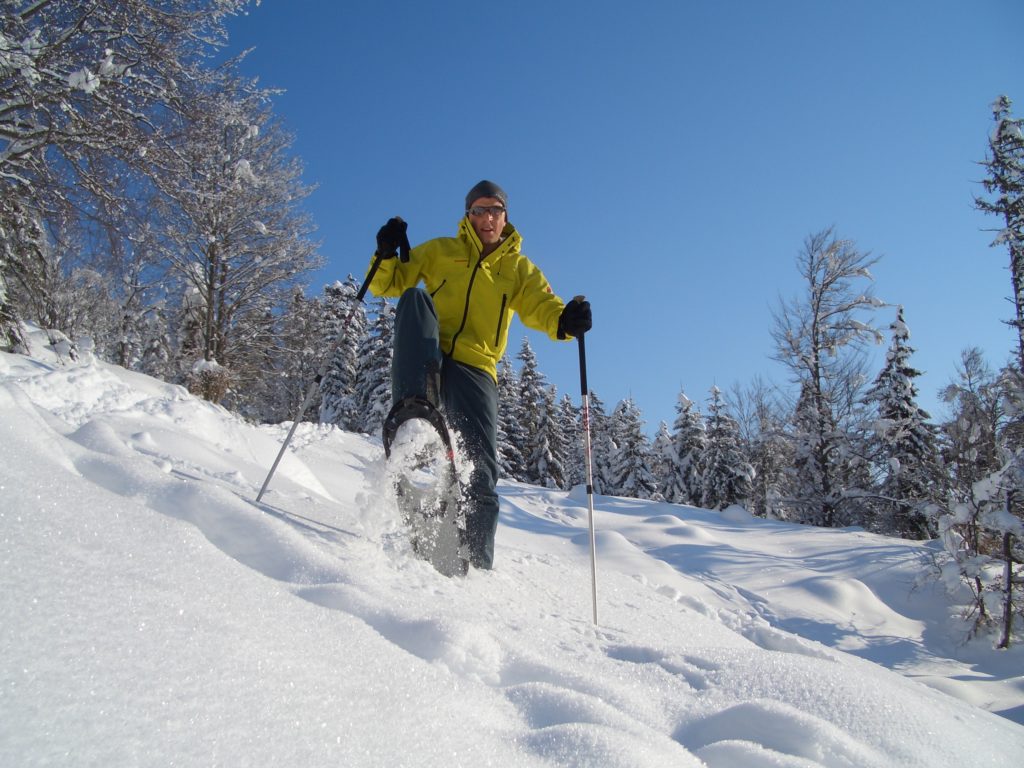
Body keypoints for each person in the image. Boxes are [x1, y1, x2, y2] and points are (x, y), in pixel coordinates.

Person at [368, 180, 592, 570]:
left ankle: (476, 563)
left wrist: (565, 321)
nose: (487, 218)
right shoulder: (442, 251)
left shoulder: (518, 269)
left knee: (481, 468)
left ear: (506, 218)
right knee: (415, 299)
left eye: (495, 211)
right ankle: (413, 410)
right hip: (431, 352)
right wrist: (386, 252)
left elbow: (542, 305)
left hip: (477, 366)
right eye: (479, 210)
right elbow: (386, 284)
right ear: (468, 215)